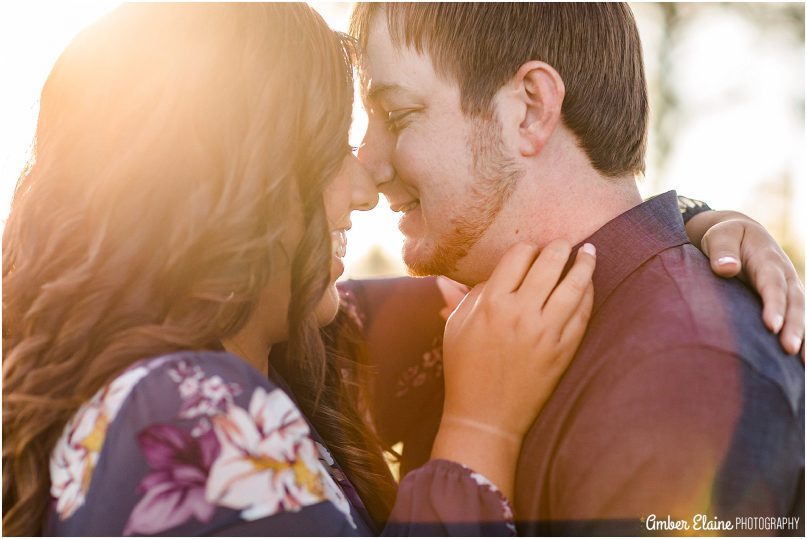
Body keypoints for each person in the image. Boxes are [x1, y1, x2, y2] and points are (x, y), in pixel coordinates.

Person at [1, 4, 599, 536]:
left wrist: (687, 221)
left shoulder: (299, 351)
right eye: (332, 145)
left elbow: (514, 304)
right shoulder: (183, 416)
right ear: (232, 181)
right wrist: (480, 430)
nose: (365, 188)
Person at [348, 2, 804, 535]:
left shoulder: (684, 372)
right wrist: (690, 217)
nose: (367, 166)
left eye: (398, 115)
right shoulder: (483, 322)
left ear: (531, 109)